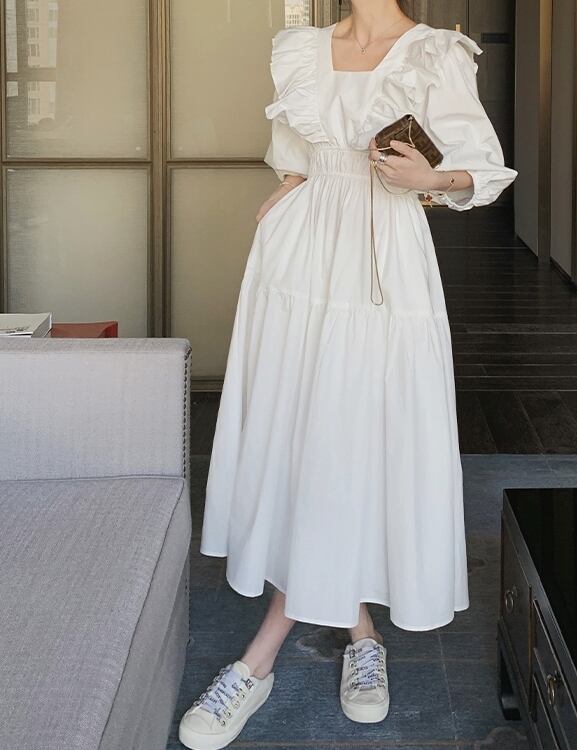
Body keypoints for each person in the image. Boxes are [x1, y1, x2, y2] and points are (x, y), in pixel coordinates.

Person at [178, 1, 518, 748]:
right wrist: (291, 186)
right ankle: (360, 629)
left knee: (356, 435)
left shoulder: (435, 52)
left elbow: (482, 169)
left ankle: (260, 658)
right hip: (299, 255)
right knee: (297, 431)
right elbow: (292, 153)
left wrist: (431, 175)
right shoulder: (300, 47)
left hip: (384, 254)